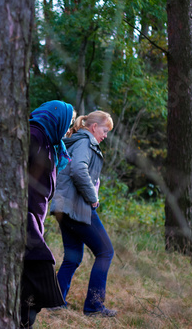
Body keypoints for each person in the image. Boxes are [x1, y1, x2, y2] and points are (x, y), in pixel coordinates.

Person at [50, 110, 116, 317]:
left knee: (73, 256)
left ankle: (55, 300)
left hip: (65, 207)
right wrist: (92, 198)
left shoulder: (77, 140)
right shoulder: (85, 142)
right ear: (94, 127)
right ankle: (95, 307)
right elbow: (79, 169)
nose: (105, 136)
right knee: (105, 252)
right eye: (105, 130)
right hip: (76, 207)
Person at [20, 100, 74, 327]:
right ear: (57, 118)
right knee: (41, 264)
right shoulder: (34, 134)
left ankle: (23, 320)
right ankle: (26, 318)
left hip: (35, 217)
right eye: (68, 123)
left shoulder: (51, 143)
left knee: (26, 274)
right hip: (24, 216)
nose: (70, 129)